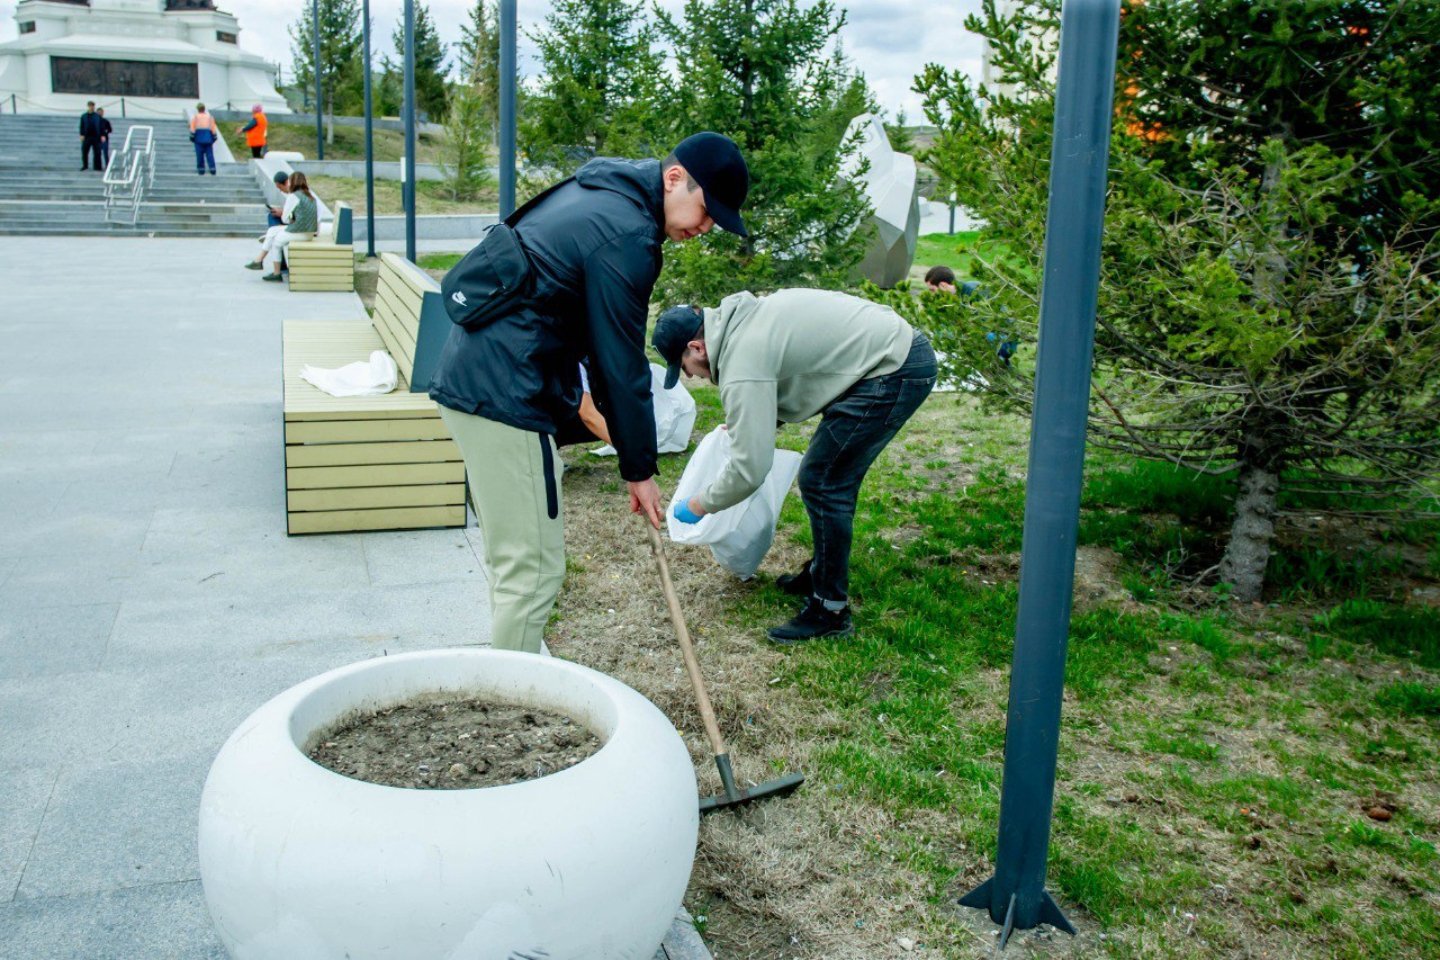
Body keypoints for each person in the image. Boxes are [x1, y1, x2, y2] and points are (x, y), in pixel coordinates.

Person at [428, 132, 751, 655]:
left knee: (518, 564)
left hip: (480, 379)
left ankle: (512, 676)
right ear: (674, 179)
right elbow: (617, 363)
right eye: (707, 209)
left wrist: (632, 459)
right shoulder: (628, 233)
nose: (706, 227)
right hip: (504, 392)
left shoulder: (600, 190)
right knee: (532, 573)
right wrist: (640, 468)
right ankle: (512, 705)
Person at [656, 289, 937, 644]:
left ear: (697, 348)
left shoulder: (742, 360)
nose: (693, 377)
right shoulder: (741, 320)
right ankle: (823, 573)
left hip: (892, 367)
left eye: (685, 368)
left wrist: (699, 505)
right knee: (826, 478)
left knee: (824, 481)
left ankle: (829, 609)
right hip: (886, 352)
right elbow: (792, 366)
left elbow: (750, 470)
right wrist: (757, 422)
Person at [258, 171, 316, 281]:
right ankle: (259, 259)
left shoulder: (294, 195)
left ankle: (276, 273)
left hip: (301, 232)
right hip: (309, 231)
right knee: (273, 231)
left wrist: (287, 215)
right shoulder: (309, 194)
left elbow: (285, 219)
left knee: (276, 241)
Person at [189, 102, 219, 176]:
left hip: (198, 139)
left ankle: (201, 170)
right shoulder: (210, 117)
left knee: (199, 155)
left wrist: (192, 137)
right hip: (208, 139)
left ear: (198, 109)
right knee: (210, 155)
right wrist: (214, 138)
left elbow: (192, 129)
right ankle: (212, 169)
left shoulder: (195, 117)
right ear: (204, 109)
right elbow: (213, 129)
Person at [78, 102, 103, 172]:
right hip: (87, 137)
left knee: (97, 152)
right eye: (90, 106)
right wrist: (81, 134)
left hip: (96, 137)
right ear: (88, 106)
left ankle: (97, 167)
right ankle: (85, 165)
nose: (91, 107)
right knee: (84, 152)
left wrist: (102, 135)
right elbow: (81, 126)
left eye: (92, 106)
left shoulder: (97, 116)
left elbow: (101, 126)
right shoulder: (84, 116)